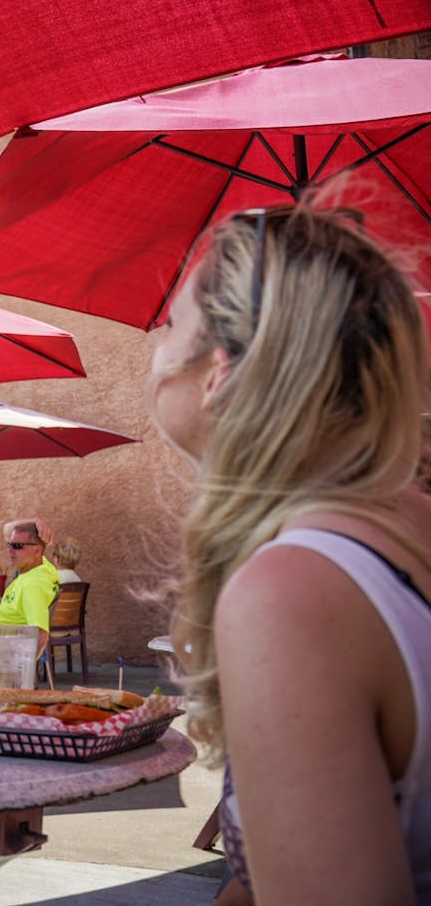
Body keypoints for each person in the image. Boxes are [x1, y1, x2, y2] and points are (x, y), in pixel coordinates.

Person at [149, 205, 431, 903]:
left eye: (168, 323)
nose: (156, 342)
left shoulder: (291, 595)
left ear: (218, 370)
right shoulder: (400, 527)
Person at [0, 519, 60, 656]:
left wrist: (18, 672)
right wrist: (35, 521)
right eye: (9, 544)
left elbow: (41, 636)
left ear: (37, 550)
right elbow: (7, 528)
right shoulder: (42, 566)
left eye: (17, 546)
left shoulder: (32, 585)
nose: (9, 550)